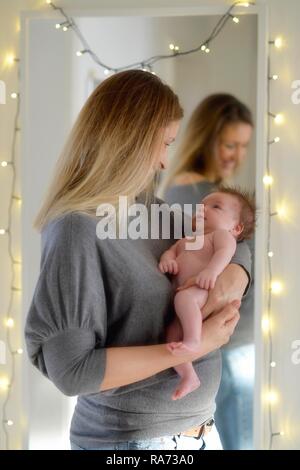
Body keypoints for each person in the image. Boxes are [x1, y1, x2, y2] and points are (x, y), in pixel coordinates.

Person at [24, 72, 251, 451]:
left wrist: (234, 275)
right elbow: (73, 371)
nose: (165, 162)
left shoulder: (145, 210)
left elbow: (235, 238)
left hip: (199, 430)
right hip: (134, 443)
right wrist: (191, 347)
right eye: (163, 144)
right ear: (128, 142)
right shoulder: (76, 230)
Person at [162, 93, 255, 450]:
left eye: (243, 145)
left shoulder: (204, 192)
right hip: (225, 341)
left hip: (221, 335)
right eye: (230, 144)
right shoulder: (197, 193)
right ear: (207, 138)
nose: (237, 155)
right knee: (240, 441)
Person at [159, 188, 256, 402]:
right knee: (171, 335)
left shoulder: (221, 236)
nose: (203, 209)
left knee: (183, 300)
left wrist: (211, 271)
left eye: (215, 206)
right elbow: (172, 252)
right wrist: (168, 260)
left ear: (236, 227)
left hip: (202, 291)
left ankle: (194, 341)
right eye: (201, 205)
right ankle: (188, 375)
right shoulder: (188, 240)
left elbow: (225, 253)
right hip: (185, 301)